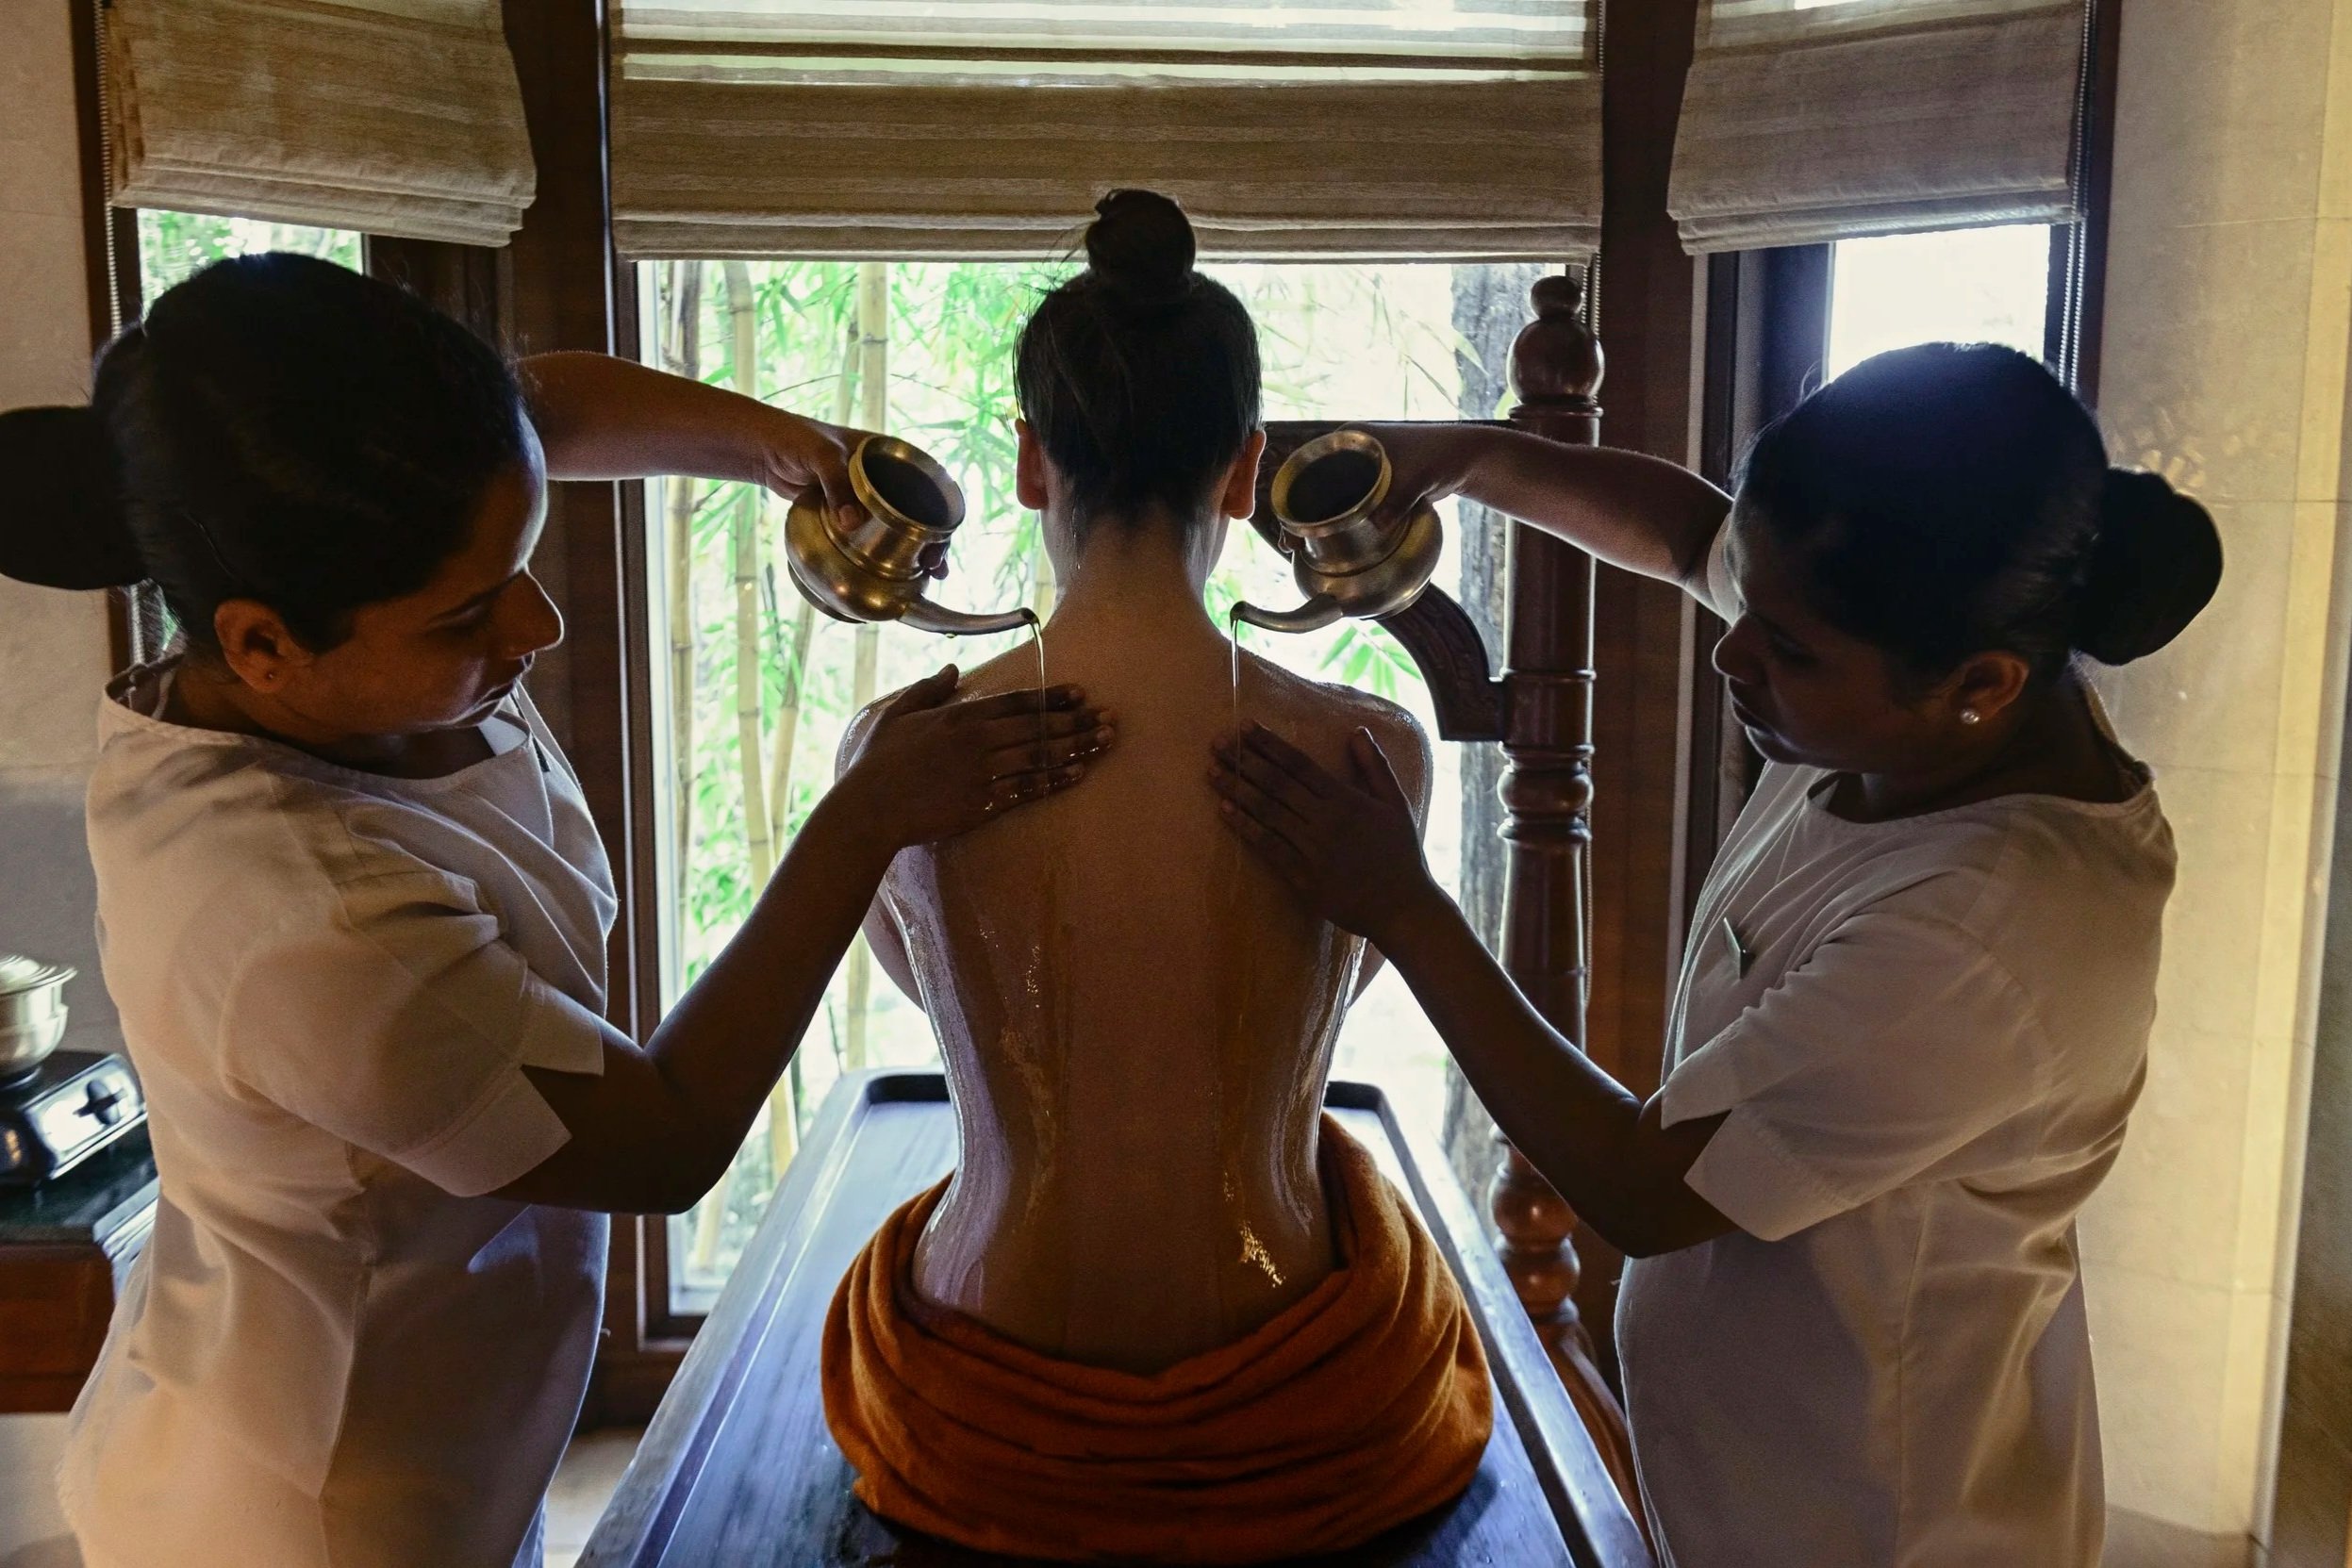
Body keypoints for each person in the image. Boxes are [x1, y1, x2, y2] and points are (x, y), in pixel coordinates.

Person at [0, 253, 1113, 1568]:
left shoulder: (362, 651)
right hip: (319, 1506)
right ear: (260, 644)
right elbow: (662, 1142)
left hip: (451, 1417)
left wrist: (785, 448)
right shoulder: (303, 921)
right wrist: (863, 821)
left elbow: (544, 414)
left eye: (516, 561)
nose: (536, 623)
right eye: (472, 607)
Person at [1211, 341, 2223, 1567]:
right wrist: (1472, 457)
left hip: (1875, 1528)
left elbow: (1641, 1189)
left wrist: (1402, 907)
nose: (1729, 652)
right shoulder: (1932, 699)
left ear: (1978, 684)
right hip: (1751, 1485)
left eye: (1786, 649)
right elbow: (1695, 540)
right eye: (1756, 606)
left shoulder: (1984, 936)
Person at [820, 191, 1491, 1564]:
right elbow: (1335, 988)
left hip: (979, 1372)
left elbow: (934, 995)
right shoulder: (1370, 752)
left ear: (1024, 461)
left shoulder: (899, 753)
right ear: (1244, 473)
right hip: (1304, 1390)